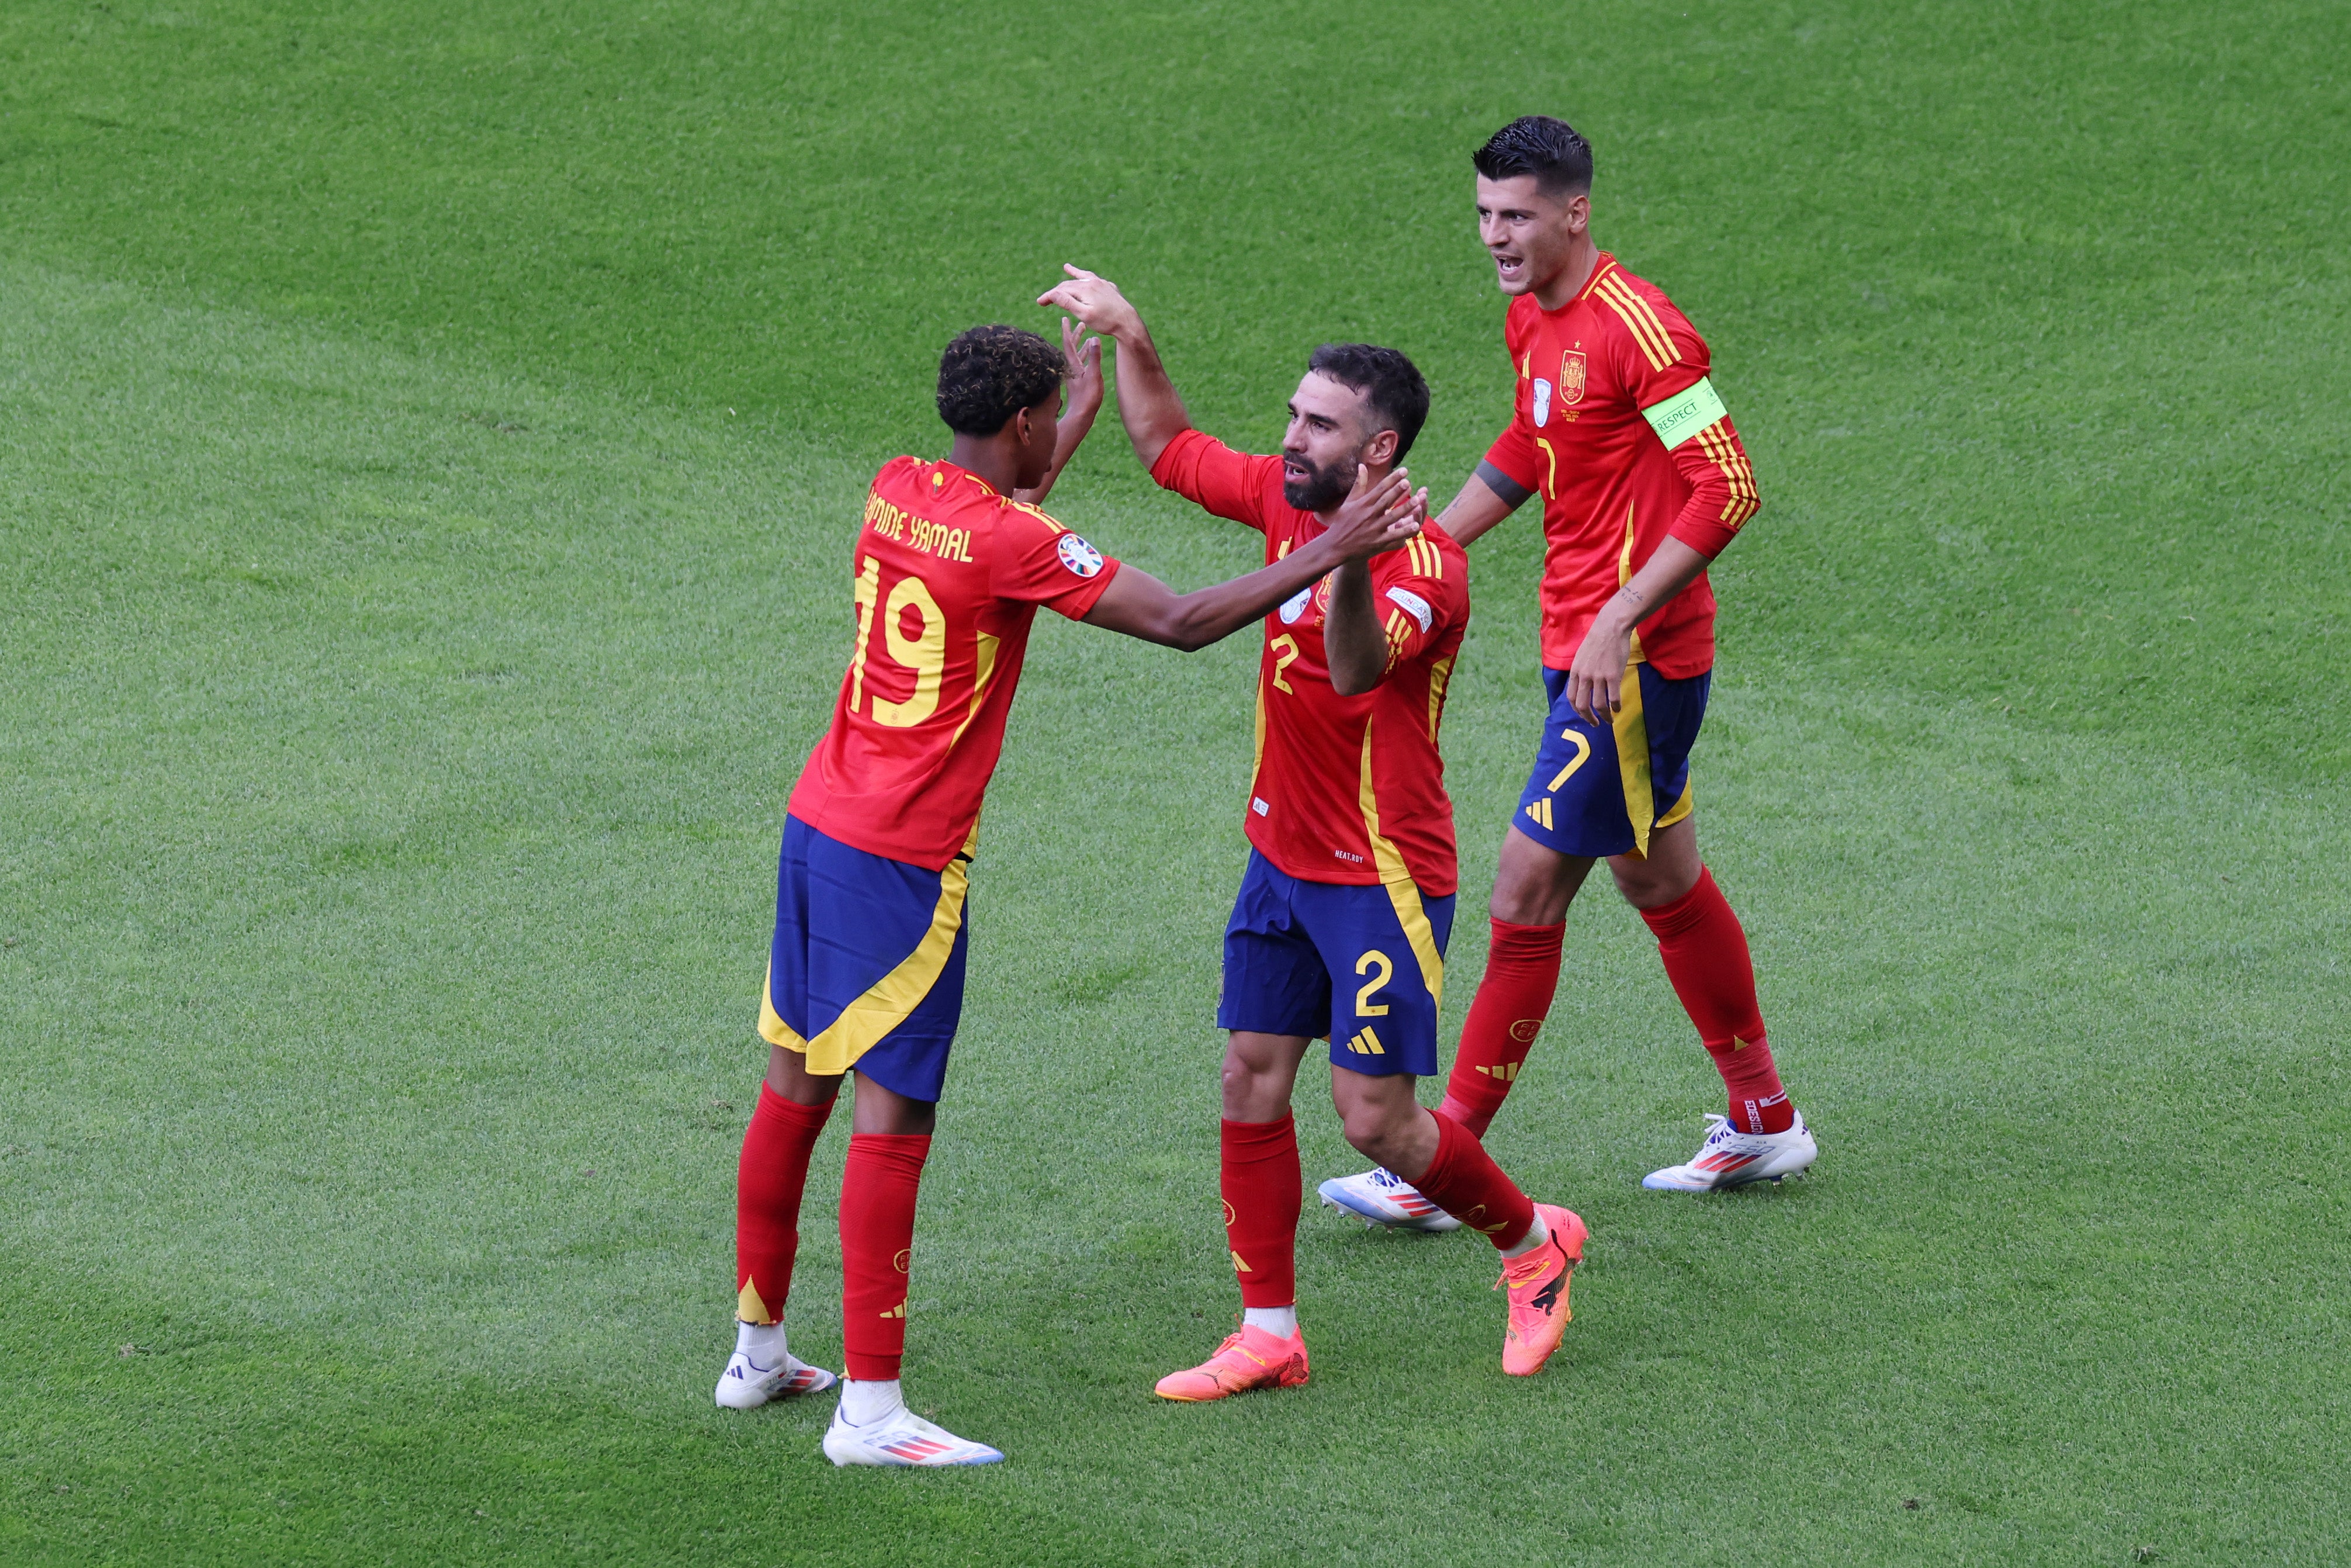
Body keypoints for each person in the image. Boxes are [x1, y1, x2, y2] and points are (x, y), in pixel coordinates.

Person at [718, 320, 1427, 1466]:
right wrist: (1332, 542)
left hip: (818, 822)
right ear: (1020, 424)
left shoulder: (898, 486)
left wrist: (1078, 414)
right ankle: (871, 1412)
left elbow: (1009, 511)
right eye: (1049, 415)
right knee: (891, 1116)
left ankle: (755, 1353)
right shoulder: (1007, 540)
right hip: (901, 858)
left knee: (793, 1085)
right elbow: (1185, 622)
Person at [1038, 265, 1588, 1399]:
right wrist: (1134, 333)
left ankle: (1532, 1239)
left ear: (1375, 452)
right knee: (1249, 1078)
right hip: (1278, 853)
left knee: (1374, 1122)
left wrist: (1339, 557)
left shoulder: (1428, 569)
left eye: (1317, 424)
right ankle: (1268, 1330)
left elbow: (1351, 673)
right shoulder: (1291, 500)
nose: (1289, 435)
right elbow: (1168, 448)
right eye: (1293, 414)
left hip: (1376, 877)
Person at [1320, 115, 1816, 1219]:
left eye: (1517, 216)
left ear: (1575, 212)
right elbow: (1532, 446)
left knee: (1526, 888)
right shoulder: (1530, 318)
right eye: (1485, 215)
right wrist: (1426, 543)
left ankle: (1438, 1165)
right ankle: (1765, 1120)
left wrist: (1621, 619)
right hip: (1583, 649)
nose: (1496, 236)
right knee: (1661, 880)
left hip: (1630, 666)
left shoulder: (1648, 333)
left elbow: (1727, 487)